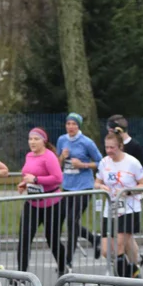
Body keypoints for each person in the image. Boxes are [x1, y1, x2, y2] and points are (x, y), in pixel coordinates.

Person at [95, 131, 143, 278]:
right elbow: (97, 182)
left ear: (120, 146)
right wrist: (101, 187)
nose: (109, 151)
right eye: (107, 147)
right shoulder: (104, 162)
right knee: (106, 251)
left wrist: (128, 191)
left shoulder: (132, 163)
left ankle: (123, 283)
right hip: (111, 209)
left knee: (119, 245)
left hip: (129, 208)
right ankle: (135, 266)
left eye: (112, 147)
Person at [16, 128, 66, 274]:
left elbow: (58, 178)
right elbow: (28, 175)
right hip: (32, 203)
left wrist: (36, 180)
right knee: (24, 239)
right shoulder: (29, 156)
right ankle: (21, 275)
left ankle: (63, 267)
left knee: (52, 240)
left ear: (43, 141)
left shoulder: (49, 156)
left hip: (52, 204)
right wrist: (25, 183)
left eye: (36, 139)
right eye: (30, 139)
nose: (32, 142)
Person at [57, 113, 103, 267]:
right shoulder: (62, 140)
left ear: (78, 126)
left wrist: (83, 165)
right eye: (68, 124)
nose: (70, 127)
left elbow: (100, 162)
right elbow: (58, 163)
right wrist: (62, 157)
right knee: (67, 221)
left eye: (74, 124)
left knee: (72, 221)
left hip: (83, 187)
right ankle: (93, 239)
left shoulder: (86, 142)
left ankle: (68, 259)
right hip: (67, 186)